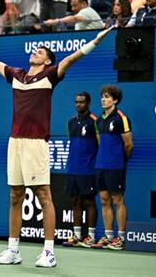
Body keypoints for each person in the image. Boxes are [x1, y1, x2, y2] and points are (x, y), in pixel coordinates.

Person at [0, 25, 115, 267]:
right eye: (35, 50)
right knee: (15, 195)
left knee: (44, 195)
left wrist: (95, 40)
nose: (36, 52)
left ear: (48, 61)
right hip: (15, 142)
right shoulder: (17, 75)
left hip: (36, 143)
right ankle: (13, 250)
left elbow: (72, 58)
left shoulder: (50, 76)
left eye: (41, 52)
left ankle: (49, 252)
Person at [91, 85, 133, 251]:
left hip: (116, 167)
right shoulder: (99, 121)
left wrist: (121, 161)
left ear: (115, 100)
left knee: (118, 200)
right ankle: (109, 237)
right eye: (102, 96)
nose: (103, 99)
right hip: (100, 166)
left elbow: (129, 144)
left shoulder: (121, 118)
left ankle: (121, 238)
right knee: (104, 200)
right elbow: (100, 142)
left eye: (107, 97)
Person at [62, 91, 98, 248]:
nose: (78, 105)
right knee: (75, 201)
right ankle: (76, 236)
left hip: (88, 169)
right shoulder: (71, 122)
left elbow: (100, 145)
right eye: (76, 102)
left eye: (81, 102)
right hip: (73, 169)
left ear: (88, 103)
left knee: (89, 201)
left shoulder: (95, 122)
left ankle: (90, 236)